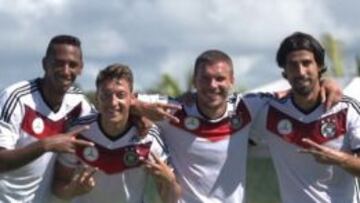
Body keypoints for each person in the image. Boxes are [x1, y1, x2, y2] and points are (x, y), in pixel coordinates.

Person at [133, 49, 343, 203]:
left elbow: (295, 94)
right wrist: (139, 107)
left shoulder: (248, 107)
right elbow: (118, 100)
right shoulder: (171, 108)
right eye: (205, 78)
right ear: (195, 81)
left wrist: (326, 83)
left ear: (232, 80)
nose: (213, 85)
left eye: (220, 78)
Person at [252, 32, 360, 203]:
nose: (300, 71)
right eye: (293, 65)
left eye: (306, 63)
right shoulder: (268, 111)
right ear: (285, 72)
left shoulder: (347, 109)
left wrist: (339, 159)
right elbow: (222, 114)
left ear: (319, 67)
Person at [52, 64, 181, 203]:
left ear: (132, 99)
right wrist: (74, 189)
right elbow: (58, 185)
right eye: (106, 95)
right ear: (97, 98)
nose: (113, 102)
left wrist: (170, 181)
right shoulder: (79, 131)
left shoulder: (148, 138)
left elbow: (171, 199)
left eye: (120, 95)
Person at [0, 35, 95, 203]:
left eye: (72, 65)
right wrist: (46, 145)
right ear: (45, 64)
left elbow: (106, 120)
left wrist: (138, 115)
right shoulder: (16, 97)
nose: (66, 71)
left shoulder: (79, 103)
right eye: (59, 63)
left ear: (80, 68)